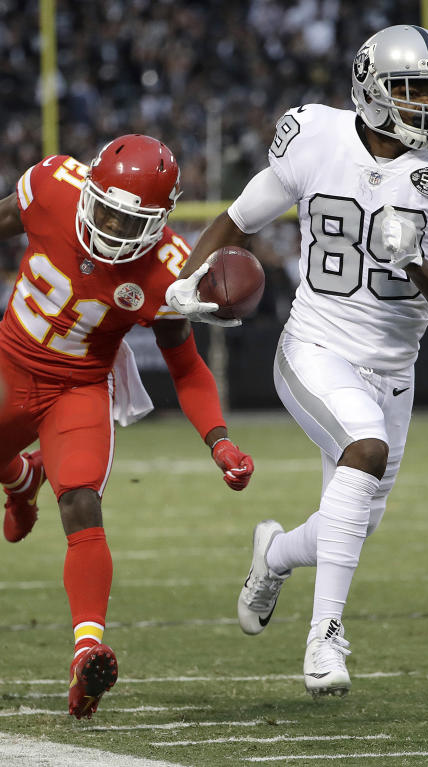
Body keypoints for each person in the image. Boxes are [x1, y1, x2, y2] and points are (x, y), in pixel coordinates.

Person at [165, 24, 428, 697]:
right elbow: (238, 218)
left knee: (355, 519)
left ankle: (275, 552)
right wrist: (185, 281)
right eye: (414, 89)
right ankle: (325, 637)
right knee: (363, 450)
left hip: (393, 371)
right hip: (315, 346)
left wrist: (418, 262)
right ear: (372, 90)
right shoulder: (316, 136)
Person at [0, 134, 255, 719]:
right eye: (108, 207)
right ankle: (18, 480)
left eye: (131, 217)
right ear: (89, 188)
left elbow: (186, 367)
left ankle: (86, 651)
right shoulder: (53, 188)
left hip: (77, 389)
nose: (114, 225)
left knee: (82, 502)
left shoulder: (169, 269)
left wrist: (219, 442)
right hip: (10, 364)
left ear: (161, 219)